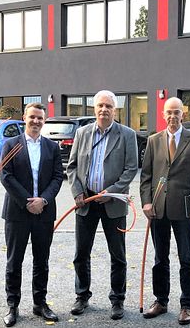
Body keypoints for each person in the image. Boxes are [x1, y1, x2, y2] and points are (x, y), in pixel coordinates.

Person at [67, 90, 138, 320]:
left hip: (113, 203)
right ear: (94, 109)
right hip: (86, 201)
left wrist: (113, 191)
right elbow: (71, 166)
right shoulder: (82, 133)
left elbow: (130, 169)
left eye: (108, 106)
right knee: (81, 253)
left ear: (114, 110)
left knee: (117, 254)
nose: (104, 110)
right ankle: (82, 296)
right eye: (100, 106)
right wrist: (77, 191)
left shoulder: (127, 135)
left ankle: (117, 299)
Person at [140, 97, 190, 325]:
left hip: (185, 209)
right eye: (168, 112)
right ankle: (161, 301)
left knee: (186, 258)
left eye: (176, 112)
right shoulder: (153, 141)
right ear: (163, 115)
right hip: (158, 208)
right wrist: (147, 202)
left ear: (183, 114)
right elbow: (146, 175)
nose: (172, 116)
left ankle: (186, 305)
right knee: (160, 258)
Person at [0, 102, 64, 326]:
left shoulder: (52, 147)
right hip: (18, 212)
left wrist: (43, 200)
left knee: (41, 260)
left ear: (44, 121)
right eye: (32, 117)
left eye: (40, 118)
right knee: (14, 261)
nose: (36, 122)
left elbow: (58, 177)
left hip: (44, 212)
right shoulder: (11, 145)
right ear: (24, 118)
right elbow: (6, 176)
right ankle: (12, 306)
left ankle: (40, 303)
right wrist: (28, 201)